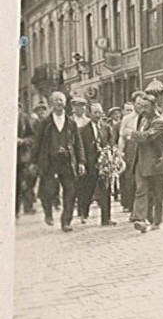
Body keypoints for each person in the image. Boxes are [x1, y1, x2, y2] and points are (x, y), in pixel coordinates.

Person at [30, 91, 86, 232]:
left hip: (67, 162)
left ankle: (66, 221)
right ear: (51, 103)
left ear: (65, 103)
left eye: (61, 100)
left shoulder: (71, 123)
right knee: (47, 191)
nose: (59, 103)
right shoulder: (45, 123)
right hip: (50, 162)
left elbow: (78, 144)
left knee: (70, 191)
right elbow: (37, 143)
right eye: (55, 100)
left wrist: (81, 162)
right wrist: (33, 162)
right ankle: (48, 213)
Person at [131, 95, 163, 233]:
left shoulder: (160, 122)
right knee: (141, 190)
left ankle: (156, 221)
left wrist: (131, 134)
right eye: (141, 107)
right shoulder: (143, 119)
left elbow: (148, 136)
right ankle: (142, 220)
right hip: (142, 162)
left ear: (155, 106)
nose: (143, 110)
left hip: (157, 164)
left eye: (146, 107)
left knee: (158, 195)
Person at [78, 103, 116, 226]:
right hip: (90, 165)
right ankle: (84, 213)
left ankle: (106, 218)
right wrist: (82, 163)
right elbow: (81, 148)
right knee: (88, 190)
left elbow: (111, 143)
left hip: (104, 165)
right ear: (90, 114)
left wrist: (109, 154)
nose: (98, 115)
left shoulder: (107, 128)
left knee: (105, 190)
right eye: (95, 113)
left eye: (100, 112)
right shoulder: (83, 130)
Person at [118, 91, 145, 218]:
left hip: (145, 152)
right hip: (131, 152)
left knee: (143, 183)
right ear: (134, 104)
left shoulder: (148, 118)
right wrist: (120, 154)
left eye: (142, 103)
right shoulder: (127, 119)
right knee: (131, 182)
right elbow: (122, 138)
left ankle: (140, 212)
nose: (141, 106)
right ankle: (133, 210)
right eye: (138, 103)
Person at [16, 102, 35, 217]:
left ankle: (15, 211)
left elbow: (32, 137)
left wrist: (23, 141)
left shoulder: (23, 118)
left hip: (20, 158)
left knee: (20, 184)